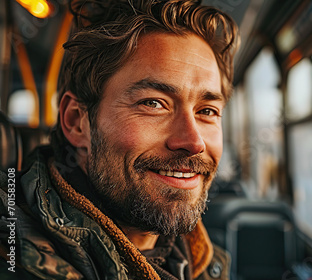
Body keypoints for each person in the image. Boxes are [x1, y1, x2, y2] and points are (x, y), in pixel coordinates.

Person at [0, 0, 239, 279]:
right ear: (77, 122)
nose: (193, 142)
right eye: (153, 103)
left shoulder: (201, 260)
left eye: (207, 111)